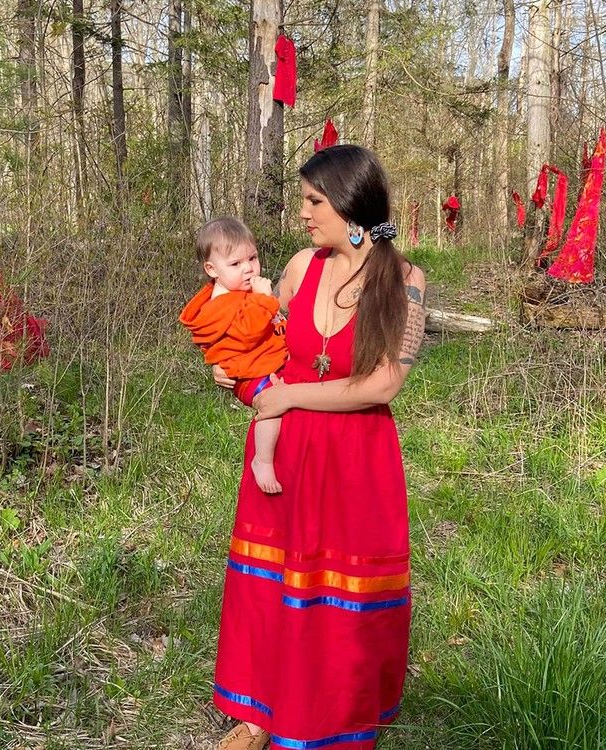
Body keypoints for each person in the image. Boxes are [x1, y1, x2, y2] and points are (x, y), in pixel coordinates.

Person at [210, 144, 427, 750]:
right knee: (269, 581)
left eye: (313, 201)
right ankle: (259, 713)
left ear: (350, 204)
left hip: (356, 455)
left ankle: (333, 714)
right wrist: (233, 372)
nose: (304, 213)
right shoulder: (301, 266)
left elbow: (385, 382)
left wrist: (292, 399)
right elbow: (263, 341)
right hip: (287, 451)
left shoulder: (403, 280)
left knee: (338, 593)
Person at [180, 217, 289, 494]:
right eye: (236, 264)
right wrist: (264, 299)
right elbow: (247, 332)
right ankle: (262, 460)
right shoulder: (222, 302)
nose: (249, 269)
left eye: (252, 258)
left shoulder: (238, 292)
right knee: (272, 406)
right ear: (211, 269)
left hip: (263, 364)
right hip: (251, 374)